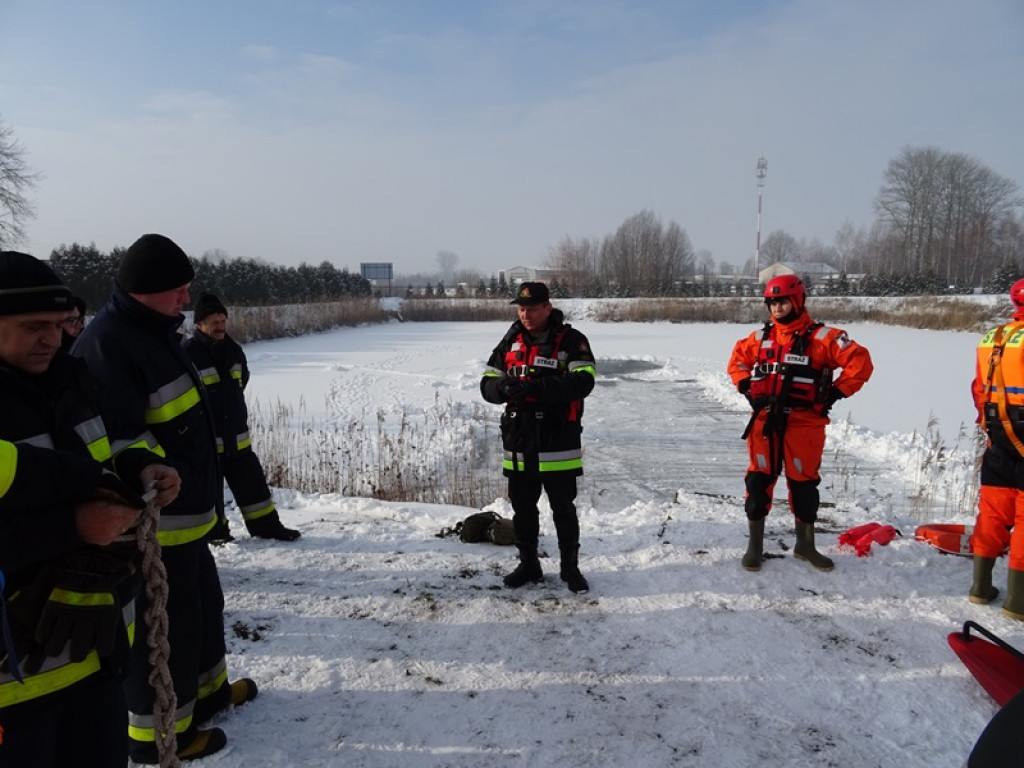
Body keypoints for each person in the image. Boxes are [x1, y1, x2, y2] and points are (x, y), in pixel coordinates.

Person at [72, 234, 257, 763]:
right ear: (145, 291)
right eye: (178, 290)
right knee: (162, 632)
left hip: (189, 520)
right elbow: (114, 437)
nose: (186, 300)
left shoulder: (155, 334)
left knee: (201, 613)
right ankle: (159, 738)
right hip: (154, 527)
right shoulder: (110, 343)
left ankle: (209, 696)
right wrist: (152, 467)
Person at [0, 251, 180, 768]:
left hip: (94, 651)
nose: (53, 339)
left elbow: (98, 455)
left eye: (60, 324)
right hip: (13, 684)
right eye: (34, 326)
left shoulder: (70, 379)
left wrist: (140, 468)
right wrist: (72, 526)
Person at [728, 275, 873, 572]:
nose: (777, 308)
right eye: (771, 302)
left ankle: (805, 545)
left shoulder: (825, 338)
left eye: (782, 301)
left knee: (804, 484)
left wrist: (835, 392)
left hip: (805, 424)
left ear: (797, 301)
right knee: (758, 482)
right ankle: (754, 547)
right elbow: (736, 362)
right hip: (765, 421)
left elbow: (860, 362)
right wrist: (745, 387)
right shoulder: (759, 338)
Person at [480, 282, 596, 593]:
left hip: (558, 439)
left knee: (563, 508)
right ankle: (529, 564)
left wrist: (537, 388)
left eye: (532, 309)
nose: (526, 314)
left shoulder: (571, 340)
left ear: (547, 308)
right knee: (522, 508)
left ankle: (570, 569)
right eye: (521, 309)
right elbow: (487, 381)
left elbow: (584, 381)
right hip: (519, 439)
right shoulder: (511, 340)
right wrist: (503, 388)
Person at [183, 293, 300, 542]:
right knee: (210, 493)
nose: (220, 326)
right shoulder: (188, 354)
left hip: (237, 438)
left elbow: (241, 382)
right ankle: (216, 533)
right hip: (207, 443)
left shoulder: (234, 350)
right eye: (214, 322)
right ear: (199, 325)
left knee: (253, 486)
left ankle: (267, 527)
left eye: (223, 320)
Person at [968, 278, 1024, 620]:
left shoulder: (993, 337)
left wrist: (992, 428)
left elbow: (979, 389)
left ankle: (980, 587)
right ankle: (1017, 602)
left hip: (999, 437)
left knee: (992, 514)